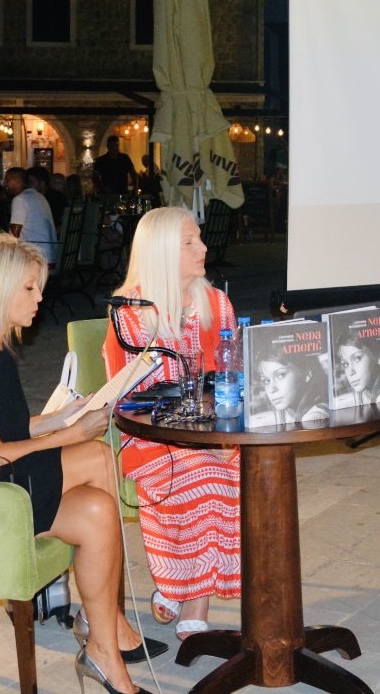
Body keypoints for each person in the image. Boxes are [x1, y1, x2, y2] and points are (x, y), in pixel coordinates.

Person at [0, 235, 155, 694]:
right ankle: (106, 619)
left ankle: (102, 645)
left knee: (98, 511)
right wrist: (69, 435)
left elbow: (0, 427)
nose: (40, 297)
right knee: (95, 454)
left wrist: (58, 419)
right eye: (28, 288)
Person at [102, 206, 240, 640]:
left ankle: (183, 586)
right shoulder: (130, 313)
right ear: (161, 251)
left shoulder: (215, 304)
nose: (204, 247)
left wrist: (215, 433)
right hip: (151, 437)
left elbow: (230, 377)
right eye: (189, 242)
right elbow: (125, 395)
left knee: (245, 470)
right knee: (205, 475)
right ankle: (187, 590)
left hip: (211, 431)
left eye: (200, 238)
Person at [251, 354, 330, 426]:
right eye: (266, 381)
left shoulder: (313, 417)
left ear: (307, 373)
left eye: (281, 375)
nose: (272, 389)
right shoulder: (292, 414)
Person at [4, 167, 59, 263]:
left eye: (8, 180)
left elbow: (14, 235)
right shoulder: (39, 196)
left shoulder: (20, 199)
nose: (4, 184)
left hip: (37, 258)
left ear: (18, 181)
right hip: (50, 256)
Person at [333, 328, 380, 410]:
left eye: (357, 358)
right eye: (345, 364)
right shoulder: (366, 396)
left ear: (379, 356)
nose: (350, 372)